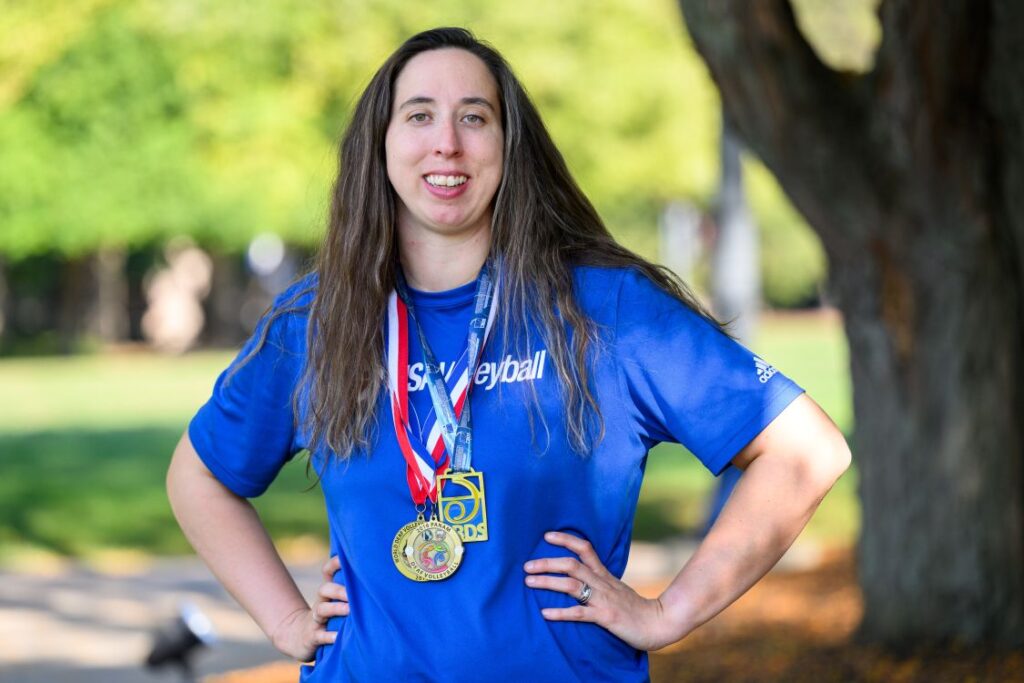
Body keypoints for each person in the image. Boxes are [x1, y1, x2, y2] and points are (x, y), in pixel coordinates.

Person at [166, 27, 851, 682]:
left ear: (508, 142)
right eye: (419, 116)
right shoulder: (319, 320)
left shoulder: (606, 310)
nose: (446, 144)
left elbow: (805, 451)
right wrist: (286, 619)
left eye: (473, 117)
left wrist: (669, 610)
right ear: (379, 143)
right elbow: (199, 477)